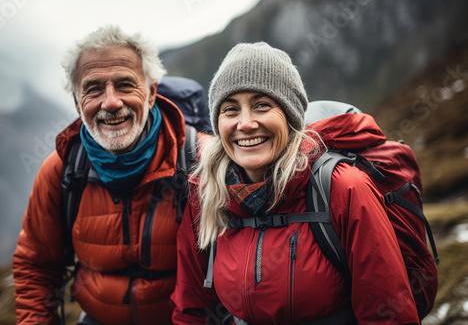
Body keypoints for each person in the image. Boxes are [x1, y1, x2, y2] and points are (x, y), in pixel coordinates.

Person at [171, 42, 421, 324]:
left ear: (291, 117)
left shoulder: (342, 187)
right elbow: (192, 309)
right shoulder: (206, 194)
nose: (245, 123)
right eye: (230, 109)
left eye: (261, 105)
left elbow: (388, 314)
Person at [13, 25, 187, 325]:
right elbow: (36, 267)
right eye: (93, 89)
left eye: (124, 85)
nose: (110, 102)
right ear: (78, 103)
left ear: (150, 93)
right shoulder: (61, 170)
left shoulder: (199, 160)